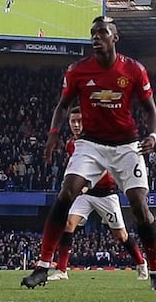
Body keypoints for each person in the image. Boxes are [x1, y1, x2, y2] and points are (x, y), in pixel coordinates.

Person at [21, 16, 156, 289]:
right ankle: (43, 266)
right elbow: (62, 106)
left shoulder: (133, 70)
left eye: (102, 33)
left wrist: (153, 135)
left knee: (141, 209)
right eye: (93, 33)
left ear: (114, 37)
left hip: (126, 146)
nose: (96, 37)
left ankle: (152, 269)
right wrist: (53, 135)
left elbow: (150, 109)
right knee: (65, 194)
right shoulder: (78, 70)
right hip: (91, 144)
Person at [48, 106, 147, 281]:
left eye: (80, 121)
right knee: (69, 224)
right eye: (73, 121)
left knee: (121, 235)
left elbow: (104, 167)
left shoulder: (100, 141)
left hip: (106, 195)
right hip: (85, 195)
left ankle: (141, 262)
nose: (77, 125)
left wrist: (86, 184)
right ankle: (62, 270)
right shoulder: (72, 144)